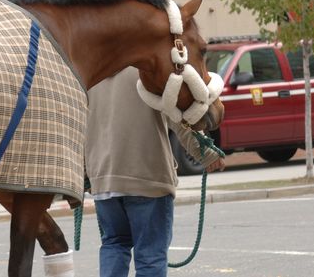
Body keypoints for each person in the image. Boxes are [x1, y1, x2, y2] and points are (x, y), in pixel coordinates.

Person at [85, 66, 228, 277]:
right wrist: (206, 154)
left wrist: (85, 174)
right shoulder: (147, 64)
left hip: (104, 178)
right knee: (150, 257)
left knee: (114, 244)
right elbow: (177, 115)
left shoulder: (96, 66)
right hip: (147, 175)